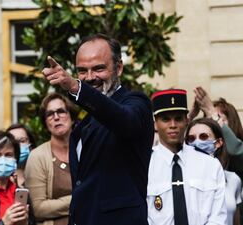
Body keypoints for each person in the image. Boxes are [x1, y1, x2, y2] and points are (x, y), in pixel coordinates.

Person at [41, 34, 154, 225]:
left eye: (99, 69)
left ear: (118, 67)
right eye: (82, 71)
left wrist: (76, 88)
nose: (90, 78)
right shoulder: (85, 122)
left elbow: (122, 119)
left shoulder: (136, 104)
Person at [148, 89, 227, 224]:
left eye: (178, 118)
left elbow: (218, 218)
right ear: (155, 123)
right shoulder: (145, 165)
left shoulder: (209, 165)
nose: (173, 125)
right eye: (165, 119)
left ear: (186, 120)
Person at [24, 93, 75, 225]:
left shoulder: (86, 150)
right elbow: (38, 209)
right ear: (45, 123)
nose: (56, 117)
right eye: (50, 114)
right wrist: (81, 198)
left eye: (61, 111)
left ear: (72, 117)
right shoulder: (37, 156)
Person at [185, 117, 241, 225]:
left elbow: (236, 221)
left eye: (203, 137)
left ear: (218, 142)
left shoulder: (233, 179)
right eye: (191, 138)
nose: (197, 142)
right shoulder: (180, 178)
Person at [7, 123, 36, 188]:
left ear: (31, 145)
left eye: (22, 141)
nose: (18, 145)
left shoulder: (41, 174)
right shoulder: (0, 178)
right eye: (13, 142)